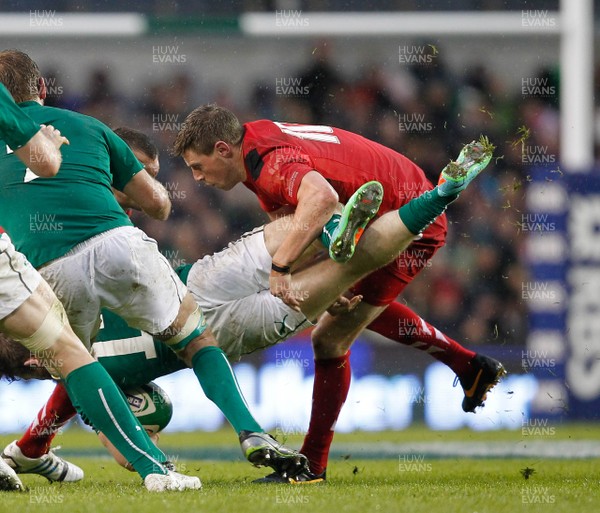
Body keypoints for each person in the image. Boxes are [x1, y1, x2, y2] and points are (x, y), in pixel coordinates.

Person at [3, 130, 499, 484]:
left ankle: (369, 222)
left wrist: (41, 443)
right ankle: (407, 207)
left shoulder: (70, 341)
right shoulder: (73, 261)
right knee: (301, 256)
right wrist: (35, 445)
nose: (191, 179)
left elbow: (97, 408)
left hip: (223, 324)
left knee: (333, 280)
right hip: (196, 293)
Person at [0, 50, 304, 489]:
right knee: (195, 338)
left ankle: (112, 459)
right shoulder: (90, 127)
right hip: (114, 243)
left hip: (42, 266)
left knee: (75, 366)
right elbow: (159, 206)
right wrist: (120, 187)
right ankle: (249, 430)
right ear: (42, 90)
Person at [173, 104, 506, 482]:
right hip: (390, 195)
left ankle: (313, 465)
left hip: (405, 216)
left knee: (329, 339)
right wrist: (323, 286)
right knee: (348, 306)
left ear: (222, 149)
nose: (197, 178)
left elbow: (320, 199)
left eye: (198, 167)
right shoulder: (257, 145)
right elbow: (296, 226)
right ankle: (468, 365)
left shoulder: (270, 161)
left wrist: (281, 267)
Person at [0, 83, 197, 492]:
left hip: (43, 253)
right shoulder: (61, 127)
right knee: (68, 352)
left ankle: (33, 447)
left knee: (63, 352)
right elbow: (47, 164)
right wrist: (47, 144)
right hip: (61, 254)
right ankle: (153, 467)